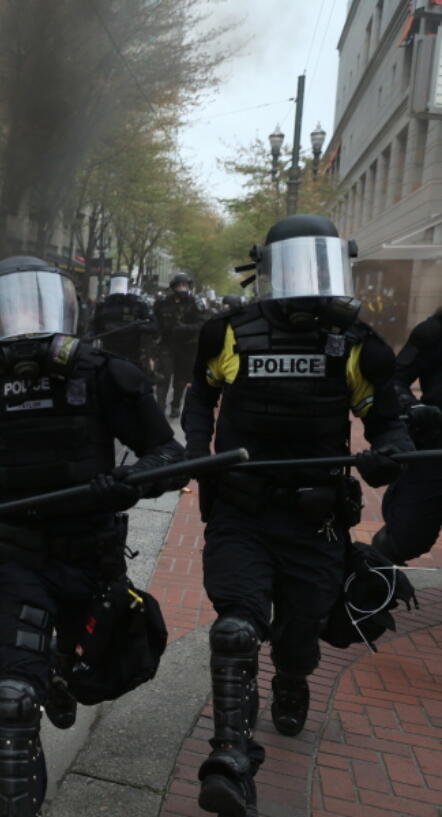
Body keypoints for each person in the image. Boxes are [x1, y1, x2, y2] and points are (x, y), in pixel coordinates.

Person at [0, 257, 185, 817]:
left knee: (106, 674)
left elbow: (169, 453)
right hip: (17, 558)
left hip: (92, 555)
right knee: (11, 698)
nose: (24, 326)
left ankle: (59, 674)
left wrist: (130, 481)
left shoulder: (101, 374)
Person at [181, 214, 413, 817]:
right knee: (235, 626)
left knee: (299, 630)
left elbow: (385, 417)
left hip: (316, 519)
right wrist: (194, 451)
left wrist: (391, 450)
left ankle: (292, 676)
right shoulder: (227, 334)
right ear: (265, 271)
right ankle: (230, 760)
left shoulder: (358, 344)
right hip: (242, 509)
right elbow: (201, 394)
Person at [371, 307, 442, 565]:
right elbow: (396, 379)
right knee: (407, 536)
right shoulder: (433, 332)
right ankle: (372, 582)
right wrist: (413, 407)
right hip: (435, 446)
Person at [153, 272, 207, 417]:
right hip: (167, 344)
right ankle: (160, 408)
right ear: (173, 287)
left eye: (184, 285)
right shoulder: (163, 302)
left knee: (180, 379)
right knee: (163, 377)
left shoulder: (196, 303)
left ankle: (176, 405)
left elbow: (202, 324)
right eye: (179, 285)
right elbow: (154, 321)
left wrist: (186, 328)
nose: (182, 288)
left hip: (187, 346)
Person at [92, 274, 158, 377]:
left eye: (121, 285)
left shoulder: (138, 304)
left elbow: (154, 326)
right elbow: (93, 327)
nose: (118, 288)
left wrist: (139, 327)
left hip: (132, 354)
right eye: (116, 285)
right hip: (108, 352)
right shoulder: (104, 305)